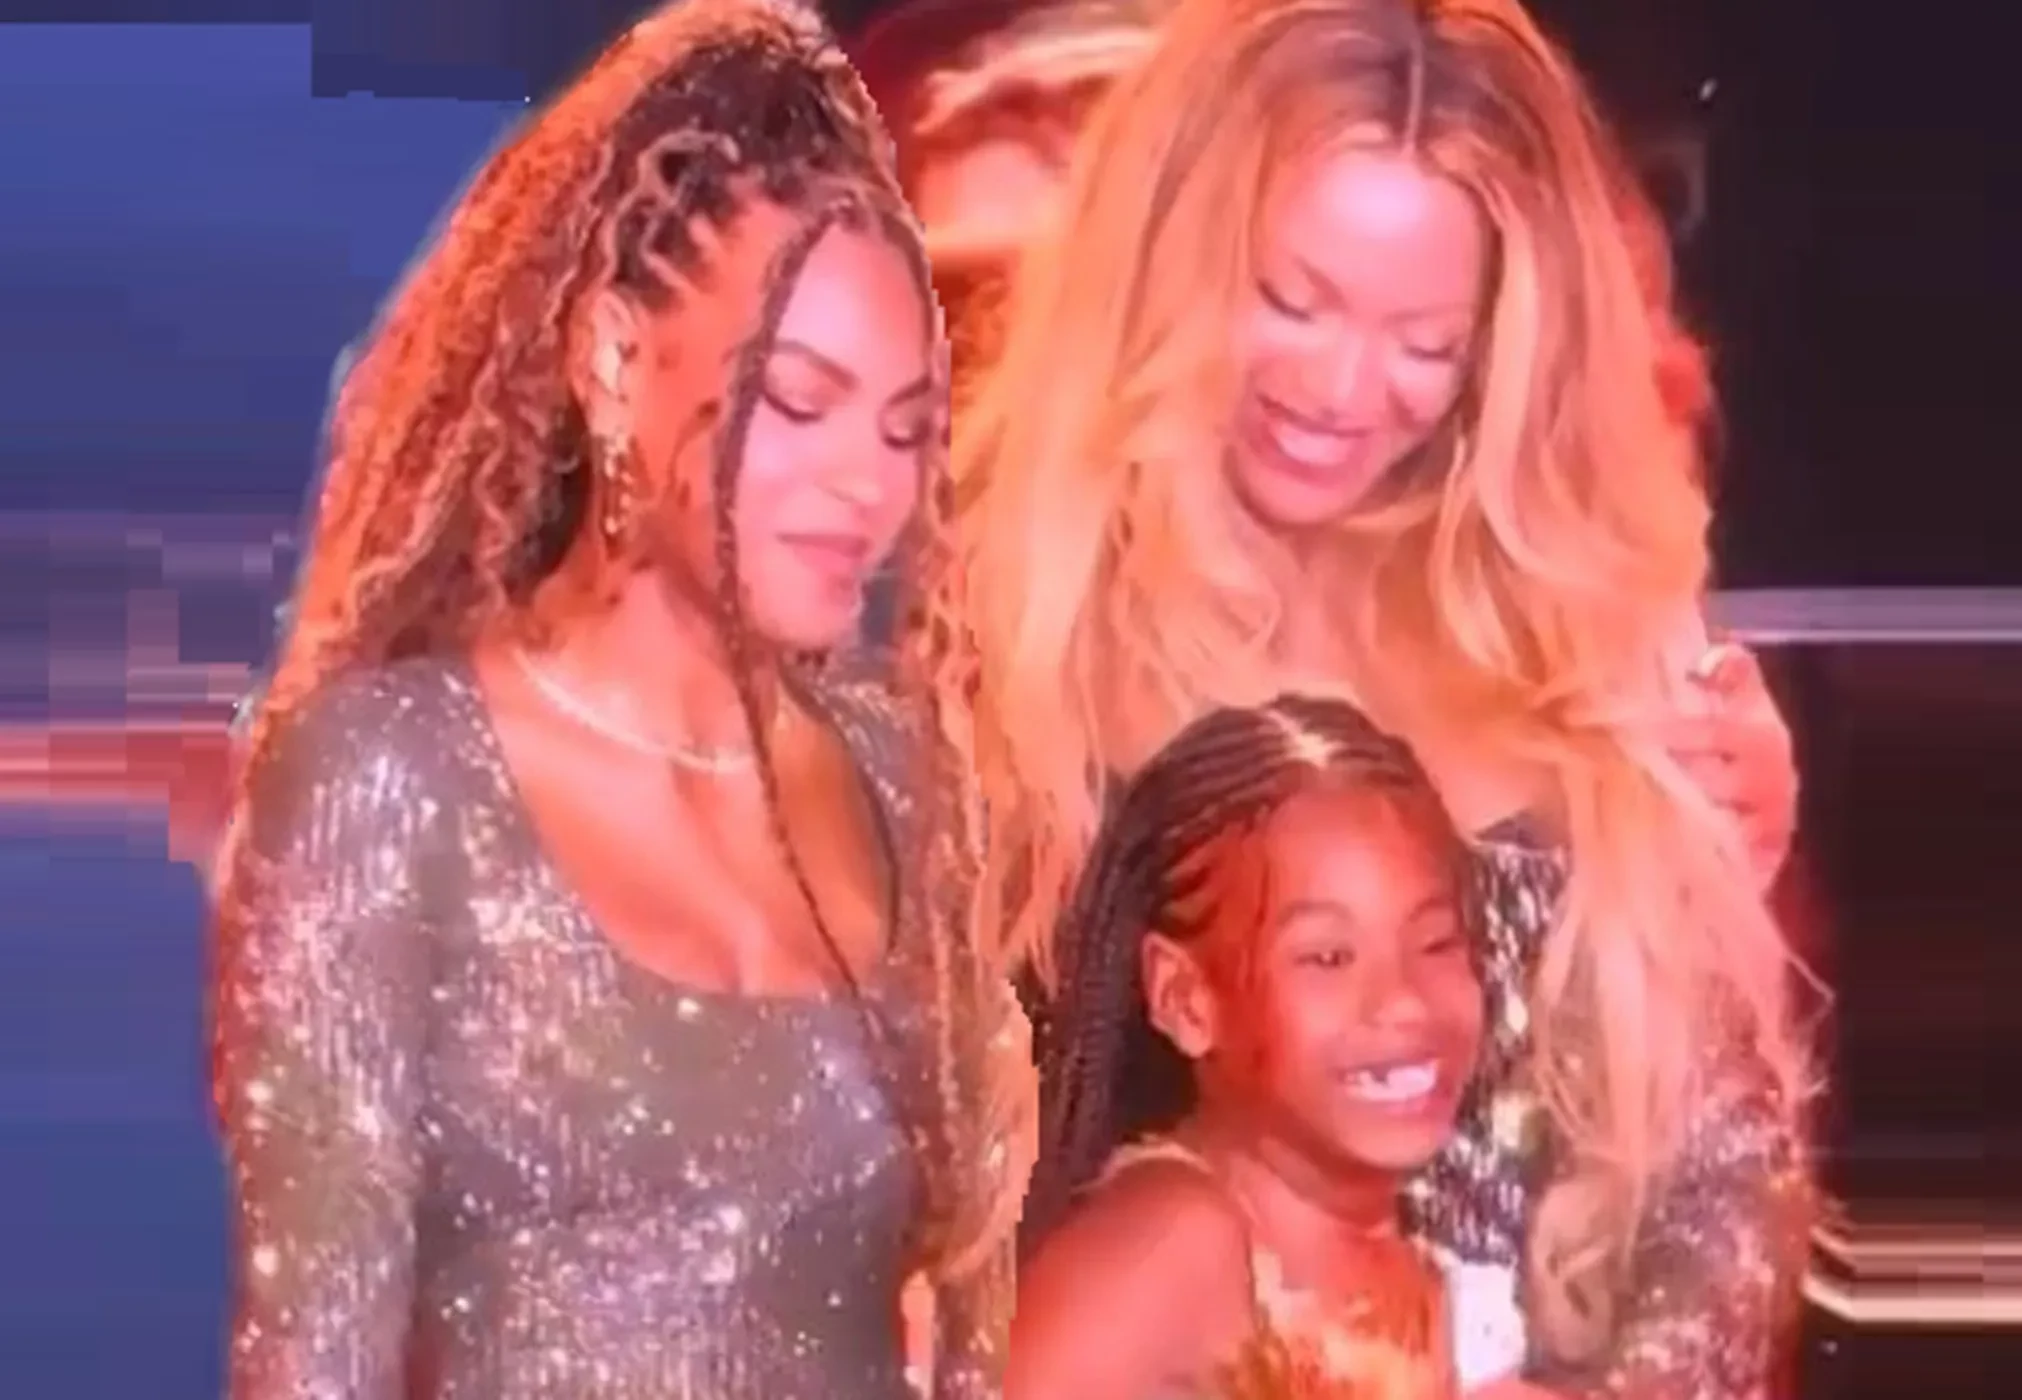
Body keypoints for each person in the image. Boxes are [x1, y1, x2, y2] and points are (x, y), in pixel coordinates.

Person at [948, 0, 1811, 1396]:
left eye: (1426, 341)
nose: (1342, 389)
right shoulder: (991, 636)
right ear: (1165, 258)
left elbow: (1717, 1180)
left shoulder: (1578, 626)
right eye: (1291, 301)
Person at [208, 3, 1030, 1396]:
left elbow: (968, 1335)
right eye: (797, 400)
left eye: (905, 429)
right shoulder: (394, 777)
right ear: (607, 360)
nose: (868, 486)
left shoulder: (906, 779)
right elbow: (312, 1363)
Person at [1012, 695, 1478, 1400]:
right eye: (1328, 958)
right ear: (1185, 998)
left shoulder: (1407, 1250)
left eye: (1437, 943)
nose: (1405, 1001)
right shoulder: (1173, 1243)